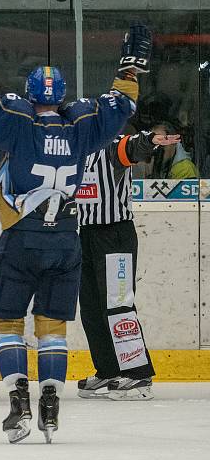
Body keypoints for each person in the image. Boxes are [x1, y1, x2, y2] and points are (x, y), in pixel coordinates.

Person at [0, 20, 147, 443]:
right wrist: (130, 70)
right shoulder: (82, 126)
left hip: (23, 237)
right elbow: (121, 104)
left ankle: (18, 400)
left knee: (8, 325)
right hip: (67, 238)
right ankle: (50, 398)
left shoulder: (19, 124)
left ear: (30, 96)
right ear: (62, 96)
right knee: (52, 328)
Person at [77, 129, 179, 399]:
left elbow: (132, 148)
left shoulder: (111, 145)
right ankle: (109, 369)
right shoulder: (75, 146)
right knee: (90, 306)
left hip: (115, 234)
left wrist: (150, 141)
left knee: (118, 304)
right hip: (84, 234)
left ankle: (138, 374)